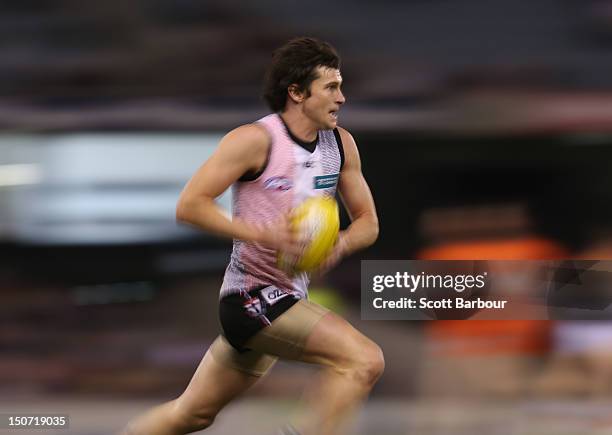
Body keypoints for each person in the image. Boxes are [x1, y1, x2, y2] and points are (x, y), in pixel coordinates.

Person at [122, 37, 383, 435]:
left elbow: (368, 222)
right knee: (364, 360)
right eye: (331, 87)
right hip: (250, 297)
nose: (342, 97)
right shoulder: (254, 140)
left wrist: (341, 243)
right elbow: (191, 205)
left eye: (341, 86)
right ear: (296, 92)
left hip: (289, 298)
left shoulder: (341, 146)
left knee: (190, 415)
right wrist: (265, 235)